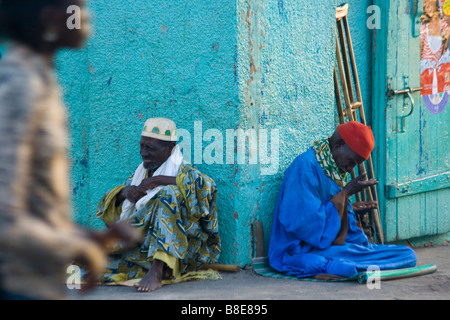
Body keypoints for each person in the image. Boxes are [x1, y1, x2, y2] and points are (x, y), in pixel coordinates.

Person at [0, 0, 137, 300]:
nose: (86, 17)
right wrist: (77, 247)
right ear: (49, 18)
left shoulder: (41, 78)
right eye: (76, 9)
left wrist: (94, 237)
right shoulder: (20, 85)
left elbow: (35, 208)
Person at [268, 121, 417, 279]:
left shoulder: (333, 170)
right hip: (301, 249)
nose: (350, 169)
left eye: (355, 165)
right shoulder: (305, 167)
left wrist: (348, 211)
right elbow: (307, 227)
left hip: (332, 246)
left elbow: (338, 224)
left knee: (408, 254)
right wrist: (344, 194)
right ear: (339, 144)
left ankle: (346, 265)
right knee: (335, 265)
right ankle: (338, 266)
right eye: (352, 162)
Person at [96, 118, 221, 292]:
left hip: (184, 252)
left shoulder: (183, 170)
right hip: (142, 251)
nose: (143, 153)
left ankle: (158, 269)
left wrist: (157, 180)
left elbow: (206, 186)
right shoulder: (141, 173)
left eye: (150, 148)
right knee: (89, 266)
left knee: (168, 194)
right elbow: (109, 208)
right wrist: (126, 192)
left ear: (170, 149)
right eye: (142, 146)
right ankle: (159, 270)